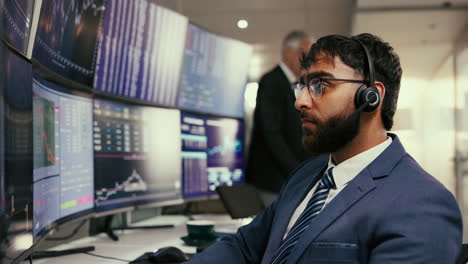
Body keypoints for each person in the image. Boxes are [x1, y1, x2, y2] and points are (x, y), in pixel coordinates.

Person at [186, 33, 463, 263]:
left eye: (320, 85)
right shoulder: (306, 175)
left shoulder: (421, 204)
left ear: (371, 96)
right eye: (302, 86)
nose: (301, 102)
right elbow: (244, 247)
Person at [246, 31, 311, 205]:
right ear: (289, 51)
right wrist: (297, 171)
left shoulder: (301, 85)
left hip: (292, 179)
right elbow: (271, 133)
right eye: (304, 53)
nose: (308, 60)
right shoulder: (271, 81)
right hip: (272, 180)